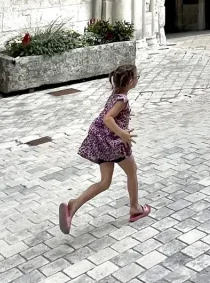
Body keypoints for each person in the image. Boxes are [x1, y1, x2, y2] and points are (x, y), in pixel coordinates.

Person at [58, 65, 151, 233]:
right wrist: (122, 133)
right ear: (131, 82)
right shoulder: (122, 100)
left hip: (100, 141)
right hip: (112, 143)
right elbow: (108, 119)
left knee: (105, 182)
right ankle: (135, 208)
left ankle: (73, 205)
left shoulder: (114, 95)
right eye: (137, 76)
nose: (138, 79)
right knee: (132, 171)